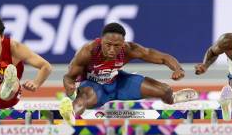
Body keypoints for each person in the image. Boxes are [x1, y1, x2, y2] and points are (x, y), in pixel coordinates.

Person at [59, 22, 197, 123]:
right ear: (101, 41)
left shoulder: (129, 49)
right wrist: (70, 88)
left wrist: (178, 69)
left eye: (117, 46)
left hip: (118, 83)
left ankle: (172, 98)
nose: (112, 50)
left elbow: (163, 57)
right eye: (108, 45)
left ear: (123, 43)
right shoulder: (88, 51)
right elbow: (68, 77)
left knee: (164, 90)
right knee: (85, 97)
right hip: (94, 87)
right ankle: (70, 114)